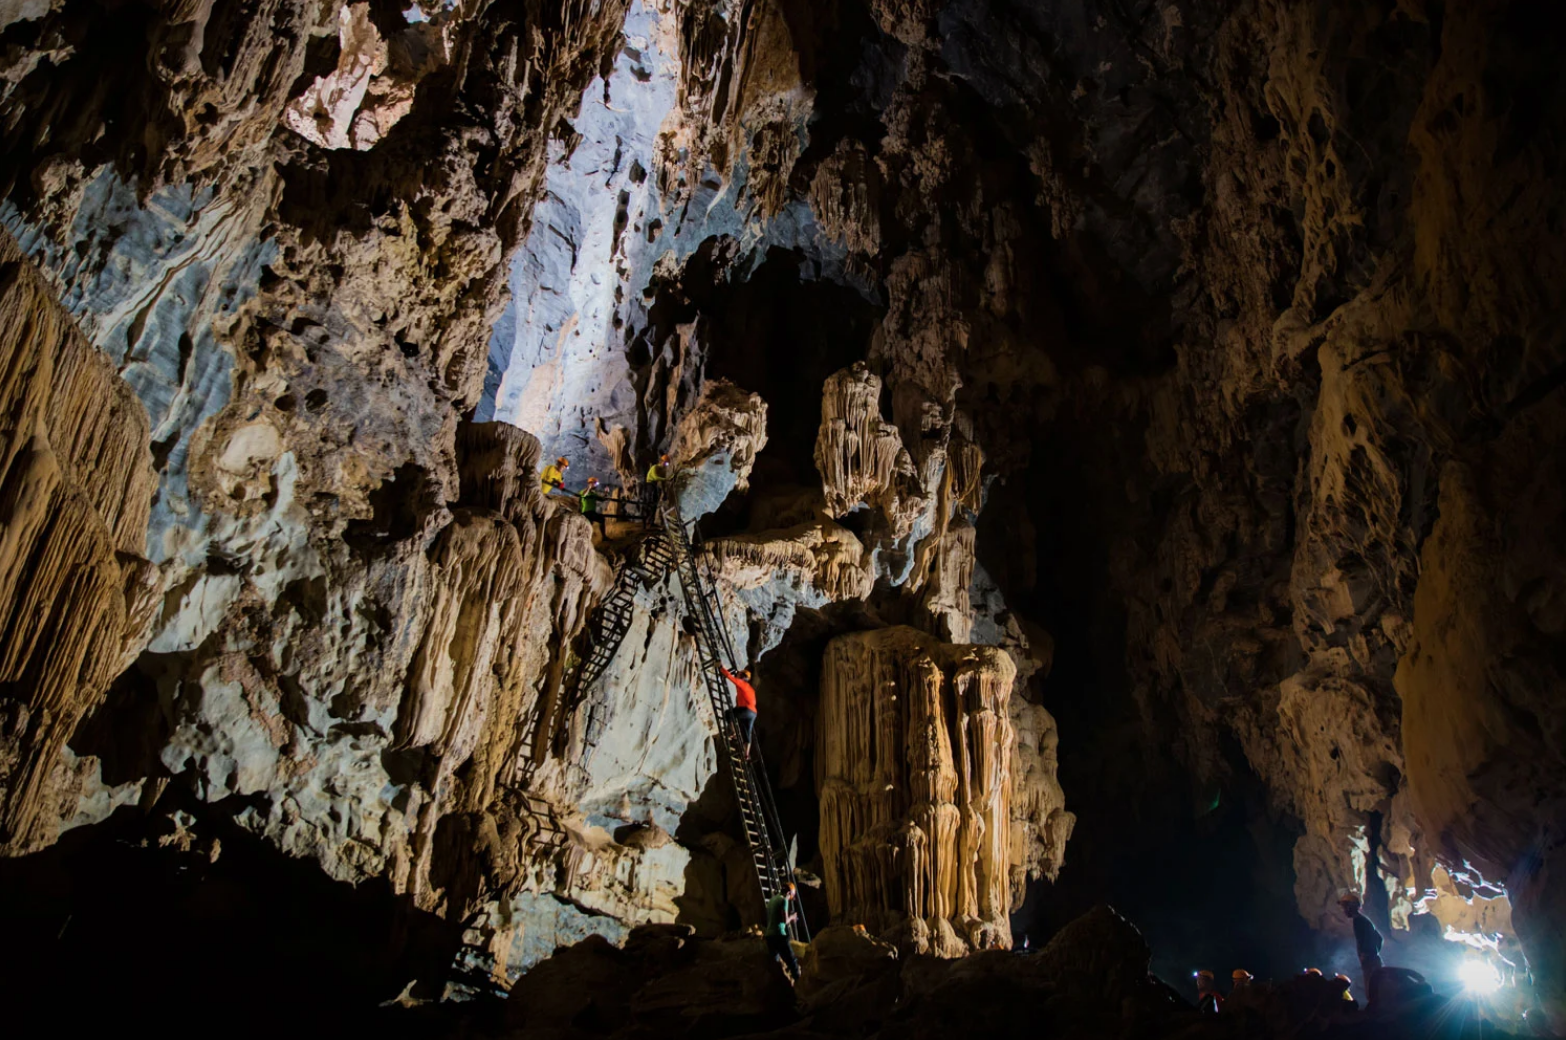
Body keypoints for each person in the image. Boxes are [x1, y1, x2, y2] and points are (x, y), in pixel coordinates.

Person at [1338, 893, 1383, 1002]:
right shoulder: (1362, 920)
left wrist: (1366, 954)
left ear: (1350, 907)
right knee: (1376, 989)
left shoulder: (1359, 921)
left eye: (1344, 907)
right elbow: (1379, 938)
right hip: (1373, 960)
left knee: (1372, 991)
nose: (1344, 911)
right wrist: (1374, 953)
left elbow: (1377, 938)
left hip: (1370, 962)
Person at [765, 883, 801, 983]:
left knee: (775, 965)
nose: (789, 899)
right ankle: (800, 985)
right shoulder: (784, 900)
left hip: (769, 936)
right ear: (788, 893)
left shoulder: (772, 900)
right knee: (792, 961)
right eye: (790, 897)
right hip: (779, 935)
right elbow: (785, 921)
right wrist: (792, 917)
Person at [721, 665, 757, 759]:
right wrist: (737, 673)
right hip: (753, 713)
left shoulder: (742, 683)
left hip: (746, 709)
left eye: (739, 674)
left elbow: (731, 678)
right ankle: (746, 754)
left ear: (742, 676)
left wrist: (721, 667)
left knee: (728, 714)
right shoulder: (749, 688)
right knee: (747, 732)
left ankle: (733, 732)